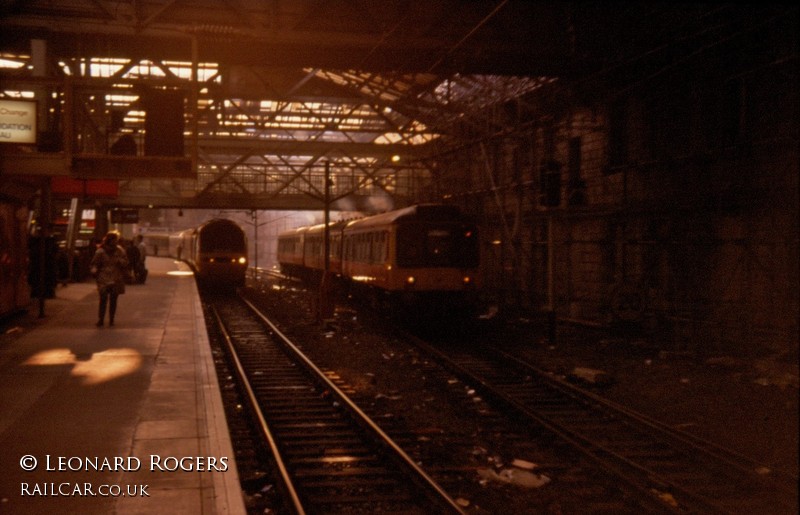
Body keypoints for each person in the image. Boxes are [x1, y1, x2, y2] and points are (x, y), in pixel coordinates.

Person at [90, 231, 128, 327]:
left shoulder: (120, 251)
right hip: (103, 278)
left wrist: (121, 262)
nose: (115, 243)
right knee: (103, 298)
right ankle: (101, 319)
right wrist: (94, 270)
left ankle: (111, 319)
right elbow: (94, 263)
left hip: (116, 278)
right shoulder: (100, 251)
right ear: (109, 240)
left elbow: (126, 261)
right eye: (114, 240)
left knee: (113, 299)